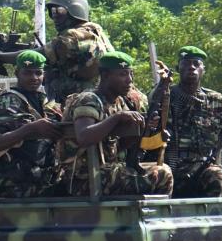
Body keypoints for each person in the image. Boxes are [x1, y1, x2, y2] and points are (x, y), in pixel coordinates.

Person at [152, 46, 222, 198]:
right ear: (178, 68)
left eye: (196, 64)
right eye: (186, 63)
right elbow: (150, 107)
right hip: (173, 166)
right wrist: (162, 85)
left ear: (203, 69)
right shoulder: (166, 96)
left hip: (205, 166)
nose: (191, 67)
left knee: (216, 176)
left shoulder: (216, 100)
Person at [60, 50, 172, 196]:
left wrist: (143, 127)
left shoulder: (119, 102)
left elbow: (118, 146)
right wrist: (117, 117)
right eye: (122, 74)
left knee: (163, 169)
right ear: (105, 75)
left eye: (130, 74)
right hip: (82, 177)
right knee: (162, 174)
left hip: (107, 170)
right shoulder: (88, 99)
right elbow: (84, 136)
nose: (129, 80)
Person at [0, 0, 112, 105]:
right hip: (99, 97)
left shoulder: (74, 36)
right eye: (53, 12)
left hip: (82, 100)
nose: (55, 16)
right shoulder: (96, 30)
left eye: (60, 11)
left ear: (75, 11)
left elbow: (35, 56)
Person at [0, 50, 63, 197]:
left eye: (38, 73)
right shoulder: (9, 101)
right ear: (17, 73)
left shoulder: (45, 101)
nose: (34, 78)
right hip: (17, 185)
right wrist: (30, 128)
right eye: (27, 73)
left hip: (47, 180)